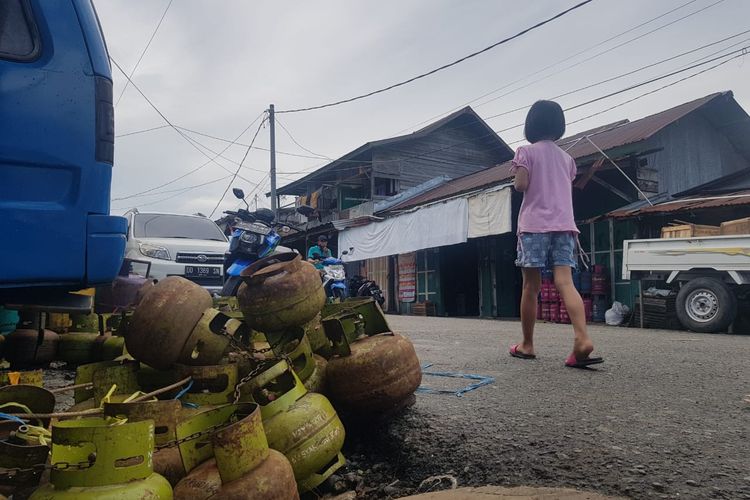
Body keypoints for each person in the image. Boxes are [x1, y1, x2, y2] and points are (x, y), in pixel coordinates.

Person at [508, 100, 603, 369]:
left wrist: (517, 174)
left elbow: (522, 185)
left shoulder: (525, 152)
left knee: (531, 286)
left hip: (534, 225)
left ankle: (527, 345)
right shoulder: (568, 160)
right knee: (565, 282)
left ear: (531, 125)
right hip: (564, 225)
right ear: (559, 126)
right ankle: (582, 338)